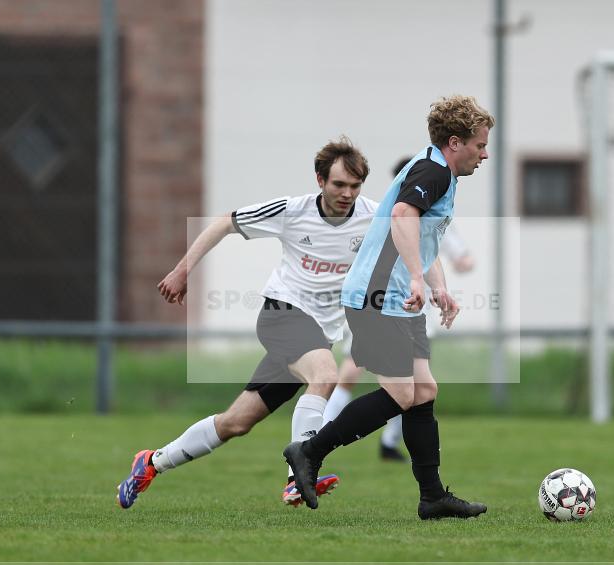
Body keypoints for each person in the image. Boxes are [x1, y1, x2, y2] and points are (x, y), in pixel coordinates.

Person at [116, 137, 377, 509]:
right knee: (325, 375)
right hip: (282, 314)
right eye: (339, 184)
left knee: (236, 422)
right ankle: (298, 475)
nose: (347, 193)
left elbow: (412, 235)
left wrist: (429, 286)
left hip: (316, 334)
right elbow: (226, 222)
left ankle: (151, 463)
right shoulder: (292, 210)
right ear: (320, 180)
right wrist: (181, 270)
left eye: (354, 186)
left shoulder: (374, 216)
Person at [284, 95, 494, 520]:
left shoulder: (438, 168)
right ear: (455, 142)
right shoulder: (433, 170)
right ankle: (308, 451)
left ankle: (433, 497)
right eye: (479, 144)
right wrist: (417, 278)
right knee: (402, 393)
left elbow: (420, 234)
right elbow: (401, 216)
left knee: (423, 392)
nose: (484, 153)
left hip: (398, 299)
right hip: (376, 297)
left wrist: (439, 287)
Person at [323, 158, 477, 462]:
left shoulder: (435, 213)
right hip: (379, 302)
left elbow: (438, 251)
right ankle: (315, 442)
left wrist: (442, 284)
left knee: (416, 387)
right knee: (374, 380)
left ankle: (391, 445)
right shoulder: (393, 212)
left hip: (414, 310)